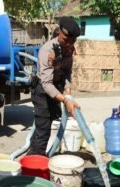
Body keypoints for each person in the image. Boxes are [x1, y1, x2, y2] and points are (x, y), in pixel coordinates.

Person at [27, 16, 81, 156]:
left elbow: (67, 72)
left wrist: (68, 93)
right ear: (59, 33)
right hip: (42, 90)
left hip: (56, 89)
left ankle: (33, 153)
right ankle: (37, 164)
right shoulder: (47, 50)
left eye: (72, 41)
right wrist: (65, 100)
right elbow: (46, 83)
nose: (69, 44)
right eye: (66, 40)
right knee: (43, 128)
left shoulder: (69, 49)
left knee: (49, 123)